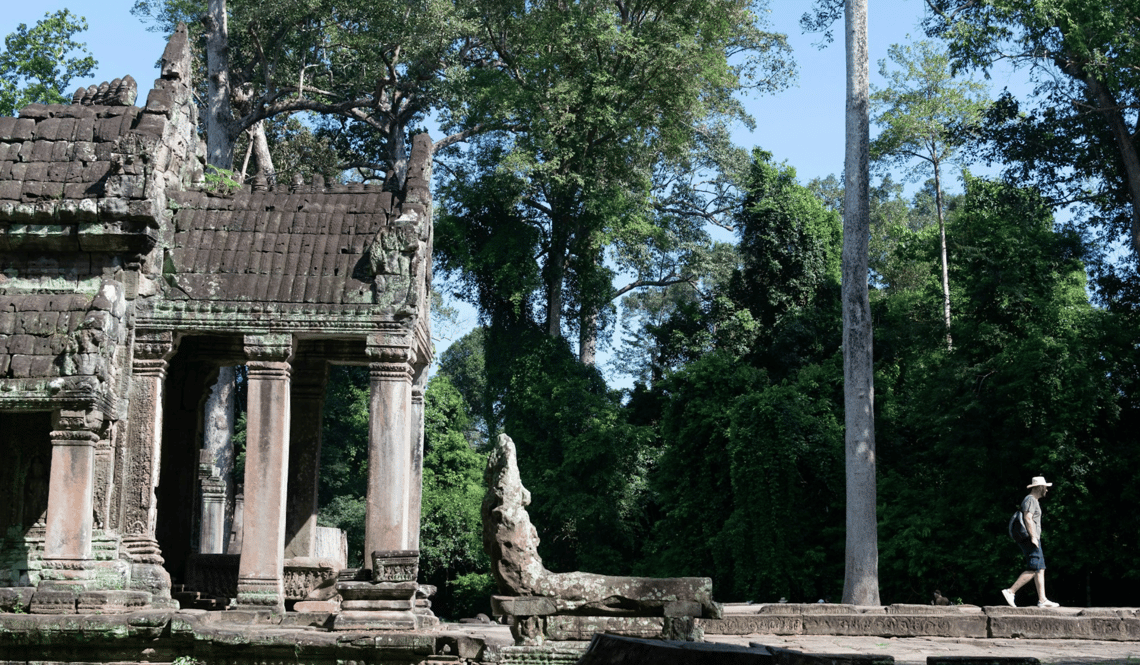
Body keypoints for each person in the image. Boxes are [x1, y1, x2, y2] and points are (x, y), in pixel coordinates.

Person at [1001, 476, 1059, 608]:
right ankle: (1010, 591)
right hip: (1031, 539)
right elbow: (1028, 518)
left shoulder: (1033, 500)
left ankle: (1042, 599)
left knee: (1040, 568)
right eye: (1045, 487)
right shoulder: (1030, 499)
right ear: (1040, 487)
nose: (1047, 490)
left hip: (1033, 539)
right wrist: (1033, 537)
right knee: (1033, 568)